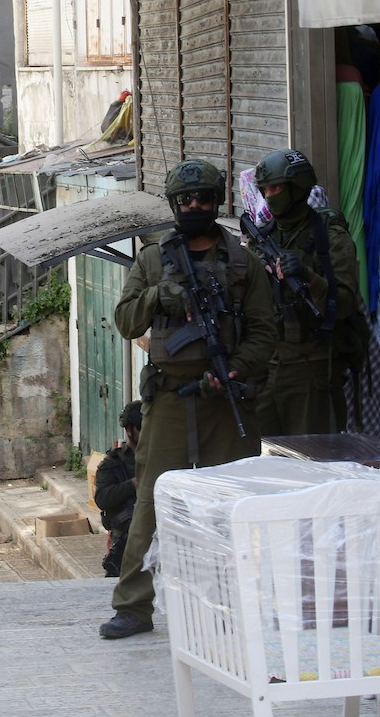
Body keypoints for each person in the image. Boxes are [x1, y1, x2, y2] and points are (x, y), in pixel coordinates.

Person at [99, 160, 276, 639]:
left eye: (203, 198)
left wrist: (235, 368)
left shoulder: (243, 262)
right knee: (151, 501)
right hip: (170, 400)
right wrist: (159, 296)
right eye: (185, 200)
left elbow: (264, 332)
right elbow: (126, 322)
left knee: (234, 504)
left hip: (225, 400)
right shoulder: (152, 260)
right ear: (174, 205)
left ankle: (238, 604)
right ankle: (133, 606)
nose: (194, 206)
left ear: (217, 202)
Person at [252, 148, 361, 435]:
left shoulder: (329, 237)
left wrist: (307, 275)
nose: (269, 195)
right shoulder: (263, 237)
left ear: (297, 186)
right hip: (266, 368)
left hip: (311, 368)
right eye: (265, 189)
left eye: (276, 188)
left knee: (311, 455)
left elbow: (345, 304)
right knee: (261, 457)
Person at [96, 401, 140, 578]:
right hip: (125, 538)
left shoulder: (161, 459)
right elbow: (102, 498)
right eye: (142, 428)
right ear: (129, 429)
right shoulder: (114, 463)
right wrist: (134, 483)